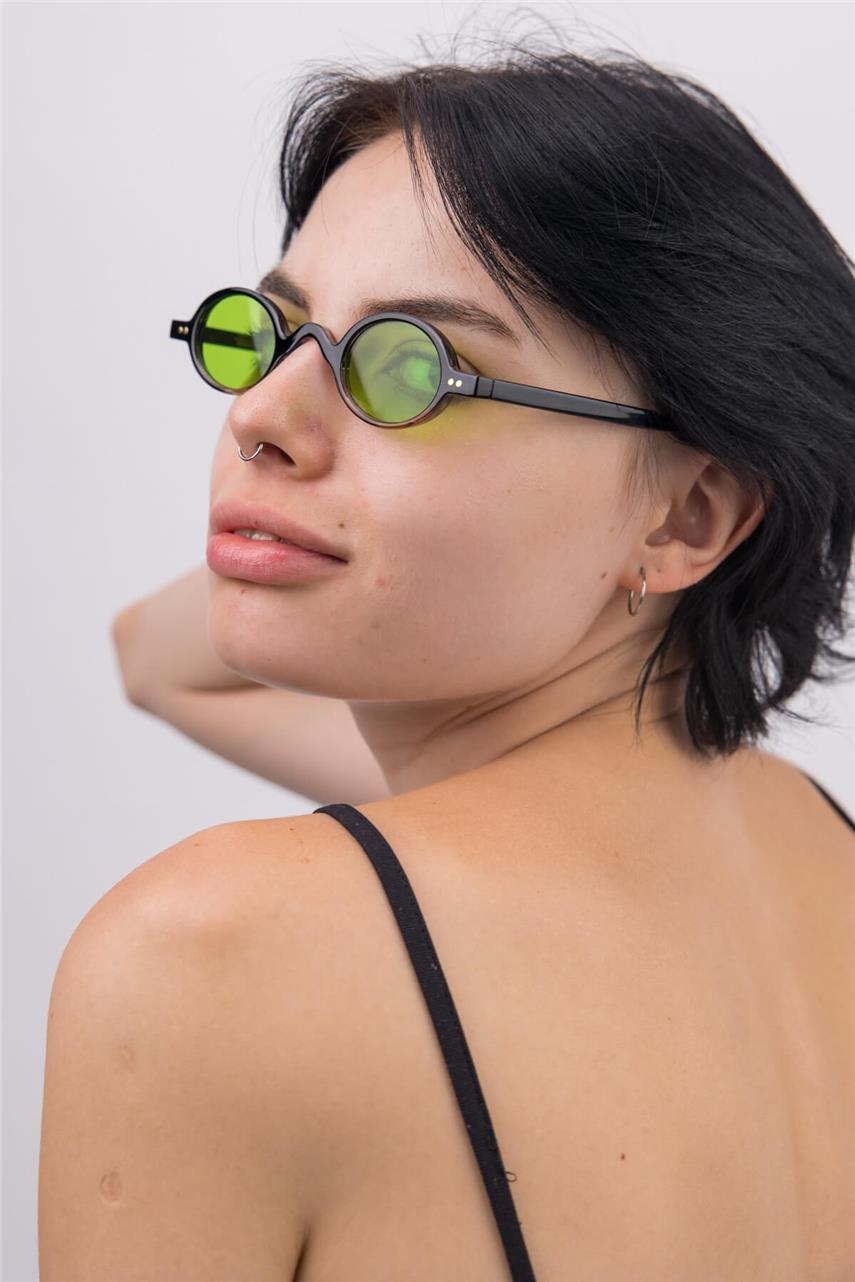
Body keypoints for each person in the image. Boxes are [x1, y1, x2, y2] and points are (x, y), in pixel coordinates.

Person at [40, 30, 855, 1282]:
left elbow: (161, 658)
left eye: (414, 369)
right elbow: (155, 656)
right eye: (276, 331)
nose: (258, 416)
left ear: (688, 517)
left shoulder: (217, 954)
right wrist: (319, 542)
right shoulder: (809, 853)